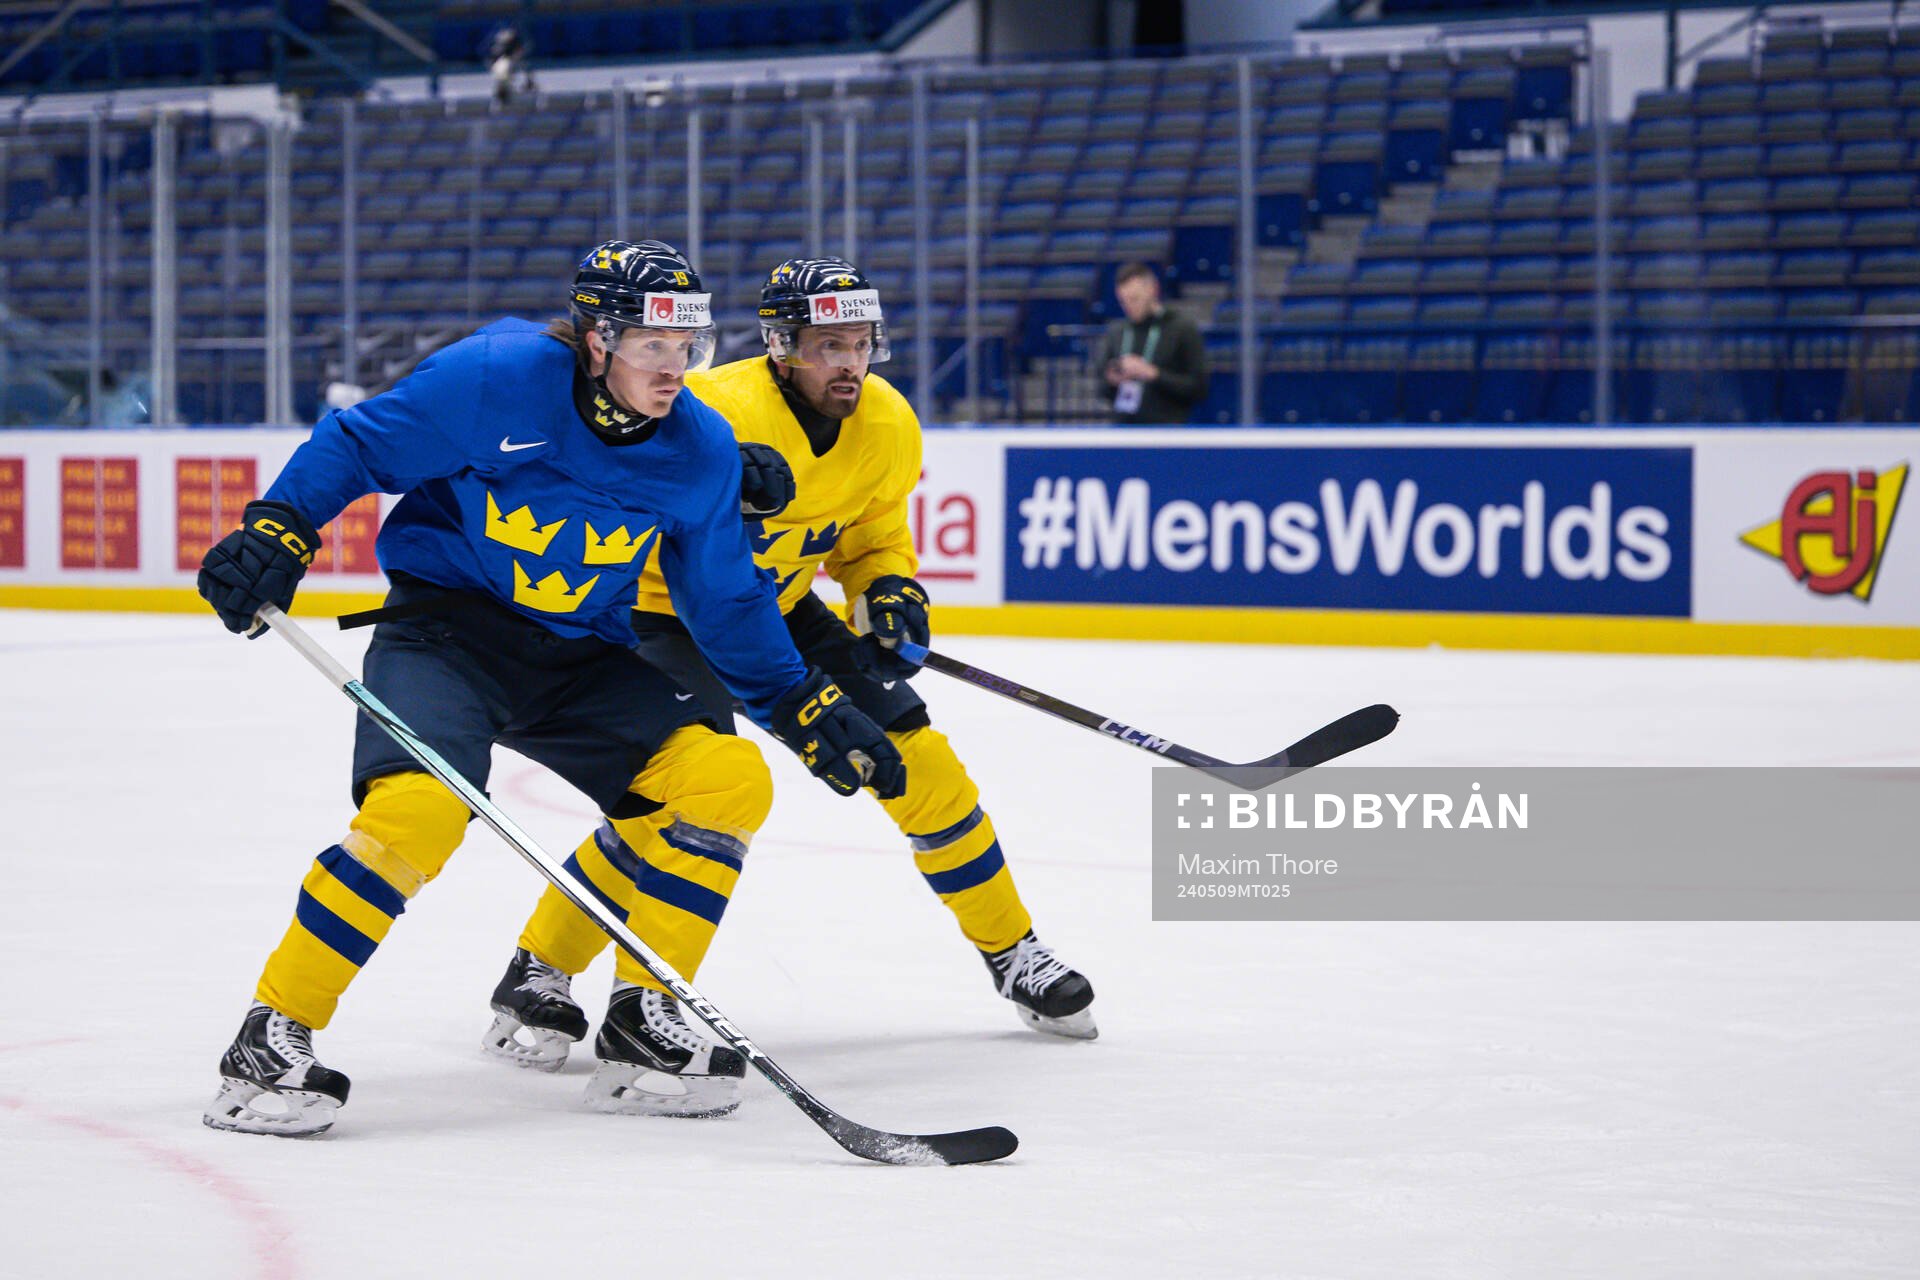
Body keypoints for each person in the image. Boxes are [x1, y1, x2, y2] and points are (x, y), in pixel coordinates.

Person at [194, 240, 905, 1137]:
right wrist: (281, 527)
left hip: (580, 655)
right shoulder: (496, 379)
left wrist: (802, 704)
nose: (675, 370)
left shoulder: (698, 450)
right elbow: (359, 443)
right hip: (448, 635)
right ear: (598, 341)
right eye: (653, 346)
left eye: (688, 348)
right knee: (417, 812)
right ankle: (268, 1039)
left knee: (726, 778)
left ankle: (643, 1024)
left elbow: (726, 603)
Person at [480, 257, 1097, 1077]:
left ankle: (1013, 951)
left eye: (861, 343)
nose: (849, 363)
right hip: (660, 613)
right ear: (781, 346)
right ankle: (542, 968)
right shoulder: (711, 407)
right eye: (828, 345)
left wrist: (887, 589)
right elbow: (605, 486)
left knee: (924, 770)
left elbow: (872, 534)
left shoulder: (888, 421)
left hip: (779, 606)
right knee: (670, 803)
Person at [1095, 262, 1209, 425]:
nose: (1128, 307)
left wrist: (1153, 374)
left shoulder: (1182, 328)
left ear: (1153, 290)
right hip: (1124, 428)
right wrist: (1112, 380)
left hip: (1167, 429)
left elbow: (1199, 387)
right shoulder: (1118, 331)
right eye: (1123, 301)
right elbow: (1102, 388)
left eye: (1134, 299)